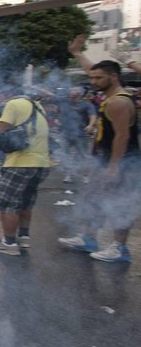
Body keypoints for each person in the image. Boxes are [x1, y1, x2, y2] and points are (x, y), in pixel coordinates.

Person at [58, 37, 139, 262]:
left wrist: (113, 168)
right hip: (104, 160)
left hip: (122, 162)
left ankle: (120, 248)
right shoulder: (108, 93)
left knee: (120, 203)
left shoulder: (119, 102)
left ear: (113, 77)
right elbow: (93, 70)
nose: (92, 81)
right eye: (90, 77)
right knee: (93, 198)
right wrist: (77, 53)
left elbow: (122, 136)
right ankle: (88, 238)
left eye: (97, 78)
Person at [0, 89, 50, 256]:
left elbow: (0, 128)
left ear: (5, 95)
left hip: (21, 162)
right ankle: (24, 238)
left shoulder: (14, 104)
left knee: (8, 205)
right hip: (41, 162)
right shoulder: (37, 106)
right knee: (26, 202)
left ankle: (9, 243)